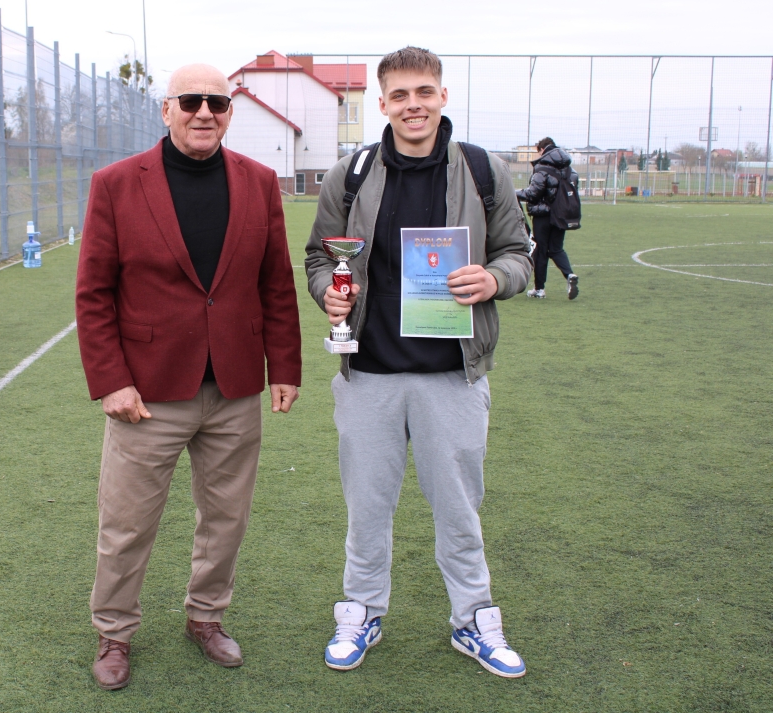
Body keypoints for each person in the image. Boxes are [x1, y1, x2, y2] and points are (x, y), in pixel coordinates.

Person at [304, 46, 532, 679]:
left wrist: (493, 279)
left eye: (424, 92)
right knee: (367, 509)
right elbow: (319, 257)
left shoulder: (483, 171)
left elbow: (518, 254)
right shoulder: (350, 174)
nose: (413, 105)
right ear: (382, 103)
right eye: (400, 95)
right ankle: (361, 610)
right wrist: (329, 293)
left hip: (452, 376)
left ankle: (473, 619)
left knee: (459, 511)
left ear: (442, 96)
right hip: (369, 374)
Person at [75, 63, 301, 691]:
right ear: (167, 109)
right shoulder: (117, 184)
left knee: (226, 518)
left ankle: (206, 617)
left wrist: (284, 366)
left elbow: (276, 283)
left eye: (218, 103)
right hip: (146, 392)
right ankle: (114, 632)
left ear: (229, 112)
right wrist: (112, 380)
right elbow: (94, 293)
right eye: (192, 101)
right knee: (127, 524)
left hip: (234, 386)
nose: (205, 112)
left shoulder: (259, 182)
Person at [516, 137, 579, 299]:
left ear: (542, 150)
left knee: (541, 251)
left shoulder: (542, 168)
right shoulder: (569, 169)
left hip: (543, 216)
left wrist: (514, 193)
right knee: (557, 249)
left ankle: (539, 289)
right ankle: (570, 274)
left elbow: (532, 193)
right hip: (562, 214)